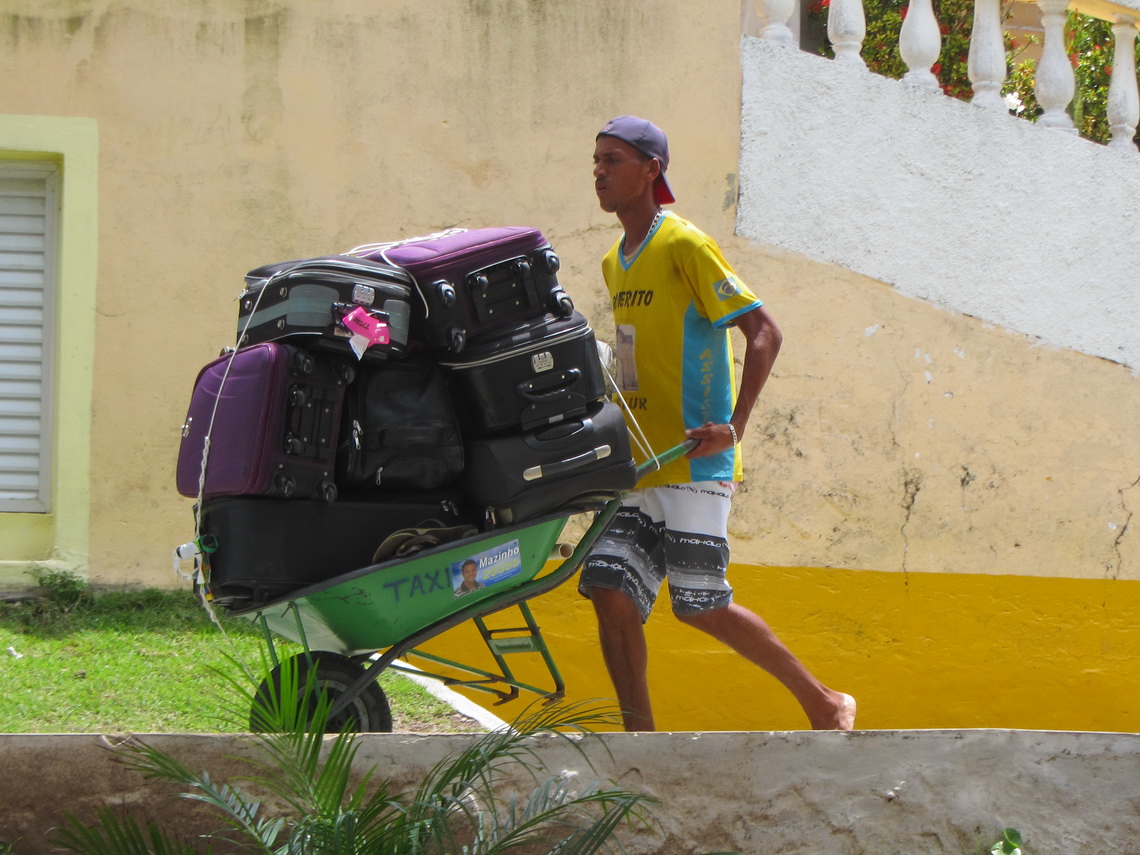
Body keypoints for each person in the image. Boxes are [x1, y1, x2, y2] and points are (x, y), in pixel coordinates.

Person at [579, 115, 856, 732]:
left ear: (652, 169)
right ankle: (640, 742)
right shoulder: (613, 262)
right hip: (645, 463)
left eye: (614, 160)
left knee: (699, 602)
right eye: (596, 159)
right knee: (607, 585)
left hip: (699, 458)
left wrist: (735, 424)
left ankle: (825, 703)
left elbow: (765, 332)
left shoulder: (683, 244)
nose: (599, 171)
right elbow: (630, 359)